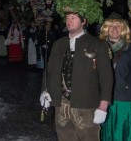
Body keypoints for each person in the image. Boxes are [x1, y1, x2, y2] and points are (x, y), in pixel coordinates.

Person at [40, 10, 113, 141]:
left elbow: (107, 78)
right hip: (61, 104)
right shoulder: (58, 44)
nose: (69, 21)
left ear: (84, 21)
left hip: (86, 105)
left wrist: (103, 106)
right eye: (67, 18)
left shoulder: (98, 44)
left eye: (73, 18)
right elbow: (49, 72)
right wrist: (45, 91)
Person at [99, 12, 131, 141]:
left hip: (125, 103)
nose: (115, 29)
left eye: (118, 26)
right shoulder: (99, 49)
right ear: (106, 29)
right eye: (111, 26)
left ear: (123, 29)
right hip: (104, 102)